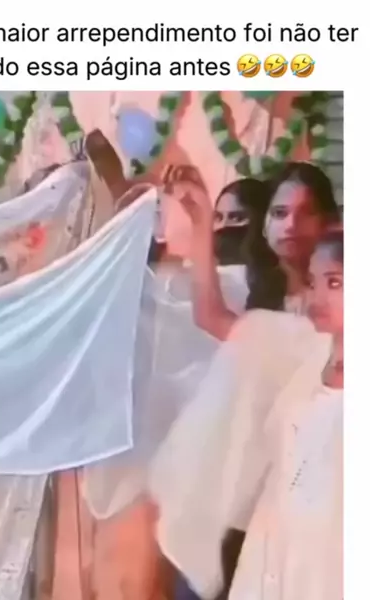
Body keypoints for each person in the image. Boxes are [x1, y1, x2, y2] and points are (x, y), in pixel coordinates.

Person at [149, 229, 343, 600]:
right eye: (313, 282)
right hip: (275, 550)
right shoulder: (302, 347)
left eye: (335, 282)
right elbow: (214, 318)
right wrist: (201, 224)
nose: (318, 296)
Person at [180, 162, 340, 340]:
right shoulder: (253, 286)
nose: (291, 225)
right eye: (279, 213)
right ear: (264, 226)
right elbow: (212, 318)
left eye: (306, 212)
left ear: (329, 223)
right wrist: (200, 218)